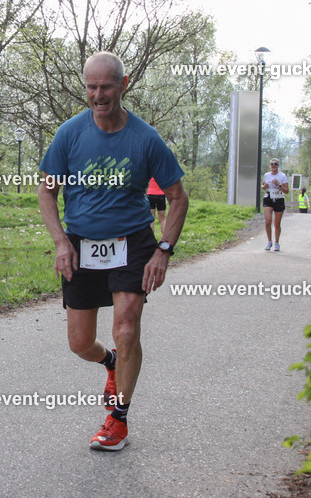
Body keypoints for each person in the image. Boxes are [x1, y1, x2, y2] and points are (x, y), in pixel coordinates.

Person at [38, 51, 189, 452]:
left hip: (132, 243)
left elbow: (177, 197)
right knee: (80, 343)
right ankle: (109, 364)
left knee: (125, 329)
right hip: (81, 244)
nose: (98, 94)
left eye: (106, 86)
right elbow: (47, 191)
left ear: (123, 85)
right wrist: (60, 242)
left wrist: (163, 251)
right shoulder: (69, 134)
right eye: (91, 86)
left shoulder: (145, 138)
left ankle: (117, 420)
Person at [262, 158, 289, 251]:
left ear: (278, 165)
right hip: (268, 197)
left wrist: (278, 185)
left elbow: (287, 191)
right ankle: (269, 241)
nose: (274, 166)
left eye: (276, 164)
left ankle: (277, 243)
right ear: (270, 165)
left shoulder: (282, 176)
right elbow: (263, 186)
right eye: (272, 164)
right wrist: (264, 186)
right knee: (268, 221)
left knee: (277, 224)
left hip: (279, 198)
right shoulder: (266, 175)